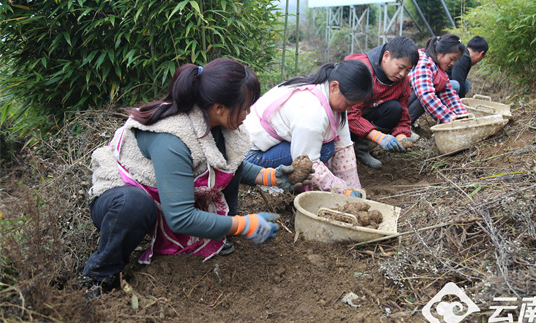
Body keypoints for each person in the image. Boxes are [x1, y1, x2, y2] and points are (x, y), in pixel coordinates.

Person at [82, 59, 308, 297]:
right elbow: (180, 217)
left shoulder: (215, 122)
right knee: (135, 206)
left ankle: (220, 231)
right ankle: (100, 277)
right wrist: (243, 225)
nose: (249, 113)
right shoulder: (172, 137)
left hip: (167, 191)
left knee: (232, 162)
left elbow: (230, 164)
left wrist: (272, 177)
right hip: (124, 196)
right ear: (220, 108)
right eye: (245, 107)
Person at [244, 60, 372, 193]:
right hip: (250, 158)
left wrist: (354, 189)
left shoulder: (330, 92)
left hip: (270, 147)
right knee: (325, 149)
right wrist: (344, 192)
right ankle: (283, 189)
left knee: (327, 147)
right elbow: (309, 162)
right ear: (334, 86)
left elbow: (344, 147)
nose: (349, 108)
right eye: (348, 103)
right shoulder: (311, 109)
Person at [345, 36, 420, 169]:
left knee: (394, 108)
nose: (403, 74)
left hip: (366, 117)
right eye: (400, 67)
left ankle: (362, 150)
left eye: (408, 70)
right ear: (386, 56)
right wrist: (379, 137)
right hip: (343, 122)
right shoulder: (362, 70)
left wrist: (401, 135)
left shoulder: (403, 82)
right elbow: (350, 115)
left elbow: (403, 113)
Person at [408, 34, 468, 125]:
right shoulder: (423, 61)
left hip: (409, 104)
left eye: (455, 60)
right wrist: (451, 119)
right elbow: (426, 96)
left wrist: (463, 116)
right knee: (428, 93)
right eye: (451, 59)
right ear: (441, 51)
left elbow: (449, 94)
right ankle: (405, 124)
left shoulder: (439, 67)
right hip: (399, 107)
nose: (452, 63)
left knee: (445, 87)